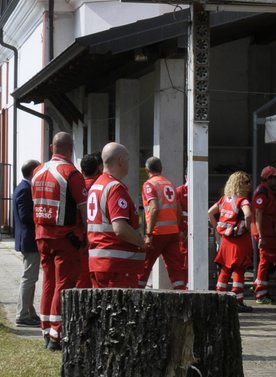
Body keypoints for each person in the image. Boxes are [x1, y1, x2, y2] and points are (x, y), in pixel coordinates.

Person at [31, 132, 88, 350]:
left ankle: (46, 328)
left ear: (51, 147)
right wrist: (87, 237)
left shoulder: (37, 171)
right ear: (71, 148)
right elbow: (84, 210)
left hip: (42, 234)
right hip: (66, 238)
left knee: (48, 281)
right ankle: (57, 332)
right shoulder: (71, 173)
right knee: (64, 284)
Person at [83, 142, 147, 289]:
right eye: (128, 159)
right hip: (117, 266)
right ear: (120, 161)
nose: (129, 163)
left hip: (99, 262)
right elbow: (120, 228)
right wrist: (141, 242)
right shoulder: (115, 188)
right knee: (120, 311)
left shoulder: (97, 185)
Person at [137, 155, 187, 290]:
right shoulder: (169, 184)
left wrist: (148, 233)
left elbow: (154, 208)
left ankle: (136, 296)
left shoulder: (149, 185)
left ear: (147, 170)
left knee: (144, 266)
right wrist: (180, 229)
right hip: (172, 233)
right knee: (175, 268)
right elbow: (178, 209)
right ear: (161, 169)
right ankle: (181, 294)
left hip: (157, 233)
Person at [209, 171, 255, 306]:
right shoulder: (243, 200)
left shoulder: (224, 199)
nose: (250, 185)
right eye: (247, 182)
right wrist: (247, 227)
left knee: (224, 269)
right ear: (241, 184)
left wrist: (217, 228)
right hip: (240, 241)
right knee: (239, 270)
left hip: (226, 240)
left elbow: (210, 213)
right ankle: (238, 301)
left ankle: (220, 299)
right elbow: (247, 215)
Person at [13, 160, 41, 327]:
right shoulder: (25, 189)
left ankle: (29, 311)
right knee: (29, 278)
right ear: (33, 172)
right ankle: (23, 314)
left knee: (31, 277)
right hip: (29, 239)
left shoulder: (23, 187)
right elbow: (25, 216)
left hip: (28, 239)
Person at [251, 165, 276, 302]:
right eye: (275, 177)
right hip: (265, 235)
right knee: (265, 263)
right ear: (268, 178)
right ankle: (260, 293)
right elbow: (258, 214)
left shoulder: (269, 192)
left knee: (273, 261)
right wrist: (261, 236)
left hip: (270, 235)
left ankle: (261, 289)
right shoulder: (263, 193)